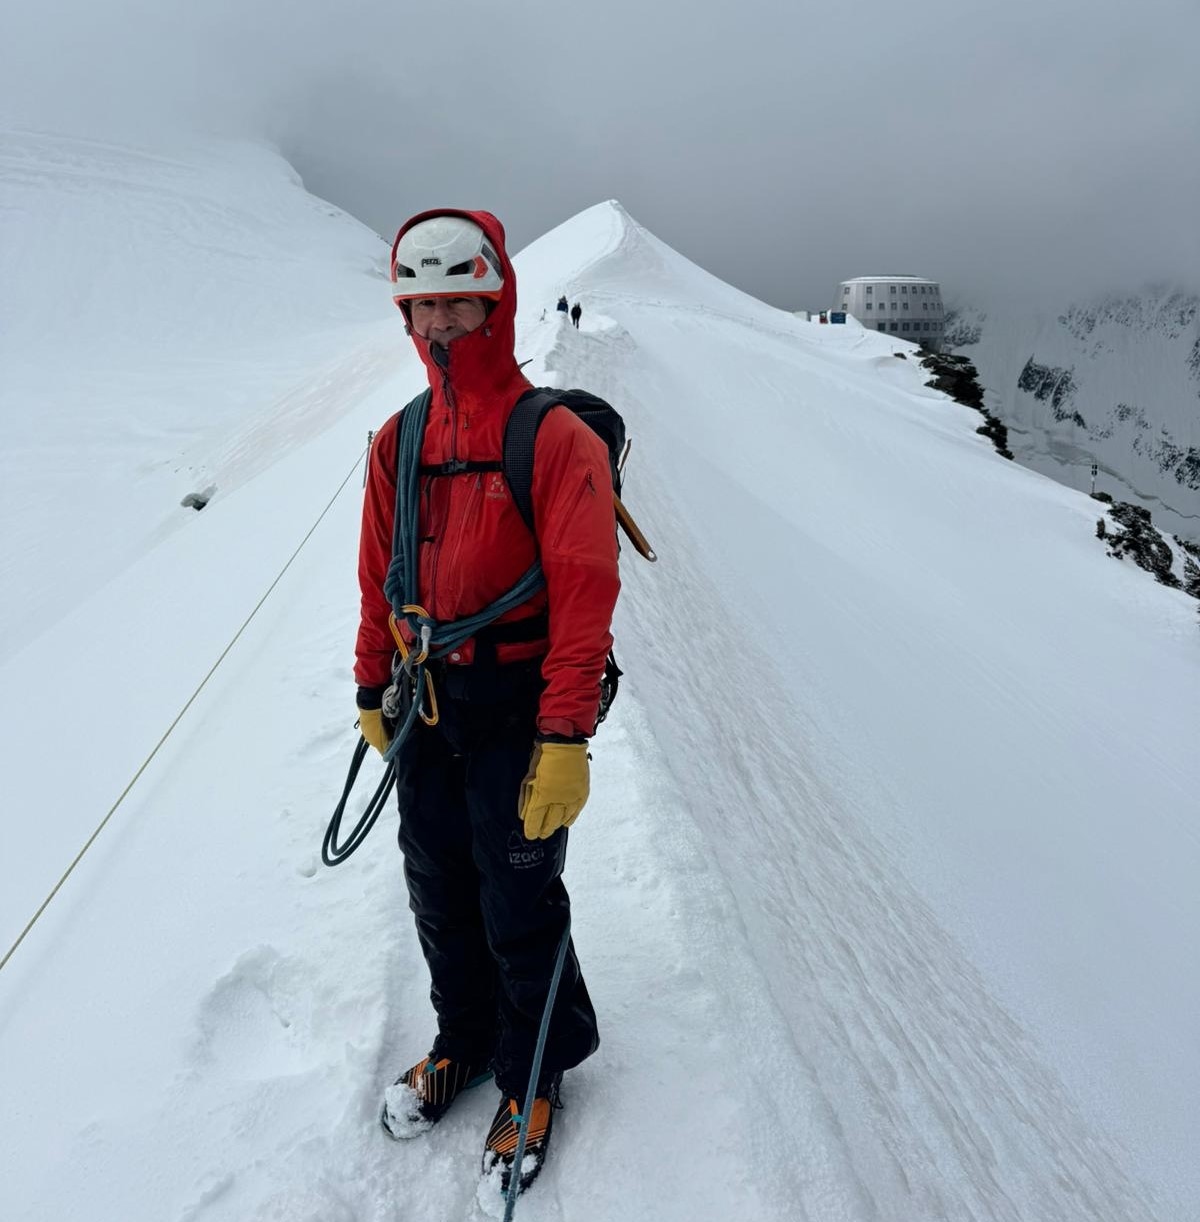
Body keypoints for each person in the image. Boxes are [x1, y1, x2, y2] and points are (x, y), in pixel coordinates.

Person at [355, 210, 620, 1196]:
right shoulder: (399, 440)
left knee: (517, 895)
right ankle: (464, 1038)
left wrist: (566, 737)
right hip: (427, 700)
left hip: (519, 701)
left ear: (498, 301)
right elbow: (377, 578)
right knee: (439, 884)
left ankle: (535, 1065)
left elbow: (586, 595)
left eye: (459, 303)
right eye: (422, 307)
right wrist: (368, 682)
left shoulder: (551, 439)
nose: (441, 326)